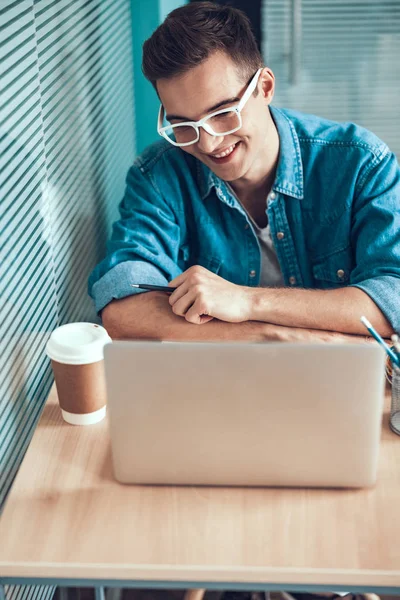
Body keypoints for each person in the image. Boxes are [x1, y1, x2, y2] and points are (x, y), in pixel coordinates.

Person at [88, 0, 400, 344]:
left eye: (222, 113)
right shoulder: (158, 175)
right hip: (225, 381)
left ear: (265, 87)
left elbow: (393, 297)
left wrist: (247, 300)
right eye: (184, 125)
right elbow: (122, 309)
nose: (207, 143)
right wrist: (278, 338)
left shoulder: (360, 163)